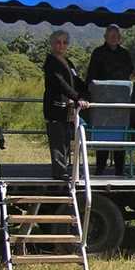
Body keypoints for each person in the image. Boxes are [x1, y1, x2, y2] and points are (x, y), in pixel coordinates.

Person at [86, 24, 134, 175]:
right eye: (111, 35)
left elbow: (130, 72)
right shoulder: (98, 53)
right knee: (103, 133)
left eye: (116, 36)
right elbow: (91, 75)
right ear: (105, 37)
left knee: (120, 134)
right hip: (103, 100)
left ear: (120, 38)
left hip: (121, 100)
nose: (114, 38)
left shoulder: (125, 54)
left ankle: (120, 170)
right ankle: (100, 169)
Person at [43, 30, 88, 180]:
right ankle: (60, 172)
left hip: (68, 109)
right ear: (52, 44)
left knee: (67, 140)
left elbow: (76, 81)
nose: (61, 45)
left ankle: (66, 170)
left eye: (64, 42)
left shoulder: (68, 62)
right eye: (58, 42)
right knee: (58, 140)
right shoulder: (51, 63)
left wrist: (88, 91)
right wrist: (77, 98)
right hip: (55, 107)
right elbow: (60, 84)